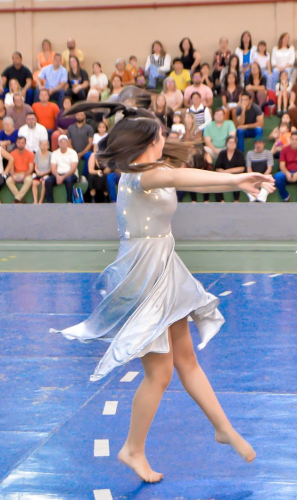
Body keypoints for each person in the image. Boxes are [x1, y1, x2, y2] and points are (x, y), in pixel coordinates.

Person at [51, 98, 269, 483]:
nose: (165, 138)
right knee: (160, 372)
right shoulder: (142, 177)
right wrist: (235, 181)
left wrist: (227, 171)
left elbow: (181, 169)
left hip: (163, 268)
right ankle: (133, 449)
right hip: (143, 275)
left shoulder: (151, 168)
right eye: (160, 135)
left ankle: (223, 429)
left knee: (185, 359)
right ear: (147, 142)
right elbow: (186, 178)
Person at [274, 131, 297, 202]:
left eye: (296, 139)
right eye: (292, 139)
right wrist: (287, 173)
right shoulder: (284, 150)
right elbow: (282, 165)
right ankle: (285, 196)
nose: (294, 141)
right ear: (290, 140)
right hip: (287, 171)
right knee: (277, 177)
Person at [44, 135, 79, 203]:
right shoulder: (54, 153)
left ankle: (69, 201)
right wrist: (57, 176)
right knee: (48, 181)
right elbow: (53, 168)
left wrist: (62, 177)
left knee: (68, 180)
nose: (63, 143)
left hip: (70, 174)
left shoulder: (73, 153)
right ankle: (50, 202)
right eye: (61, 142)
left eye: (64, 141)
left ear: (67, 143)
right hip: (58, 174)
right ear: (58, 143)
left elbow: (73, 169)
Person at [210, 136, 245, 202]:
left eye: (233, 142)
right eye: (230, 142)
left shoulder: (239, 154)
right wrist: (224, 173)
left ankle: (236, 200)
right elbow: (217, 168)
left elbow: (242, 168)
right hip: (224, 175)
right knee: (216, 181)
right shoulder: (222, 153)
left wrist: (228, 171)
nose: (232, 144)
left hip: (235, 175)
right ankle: (221, 201)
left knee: (236, 179)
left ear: (236, 144)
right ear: (226, 143)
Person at [32, 139, 53, 204]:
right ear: (39, 145)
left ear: (48, 146)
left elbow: (51, 168)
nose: (43, 146)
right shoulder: (37, 154)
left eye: (45, 145)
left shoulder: (51, 155)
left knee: (44, 183)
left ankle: (41, 201)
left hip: (47, 174)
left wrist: (43, 173)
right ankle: (35, 200)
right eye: (42, 144)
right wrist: (37, 171)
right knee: (34, 183)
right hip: (39, 173)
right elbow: (35, 166)